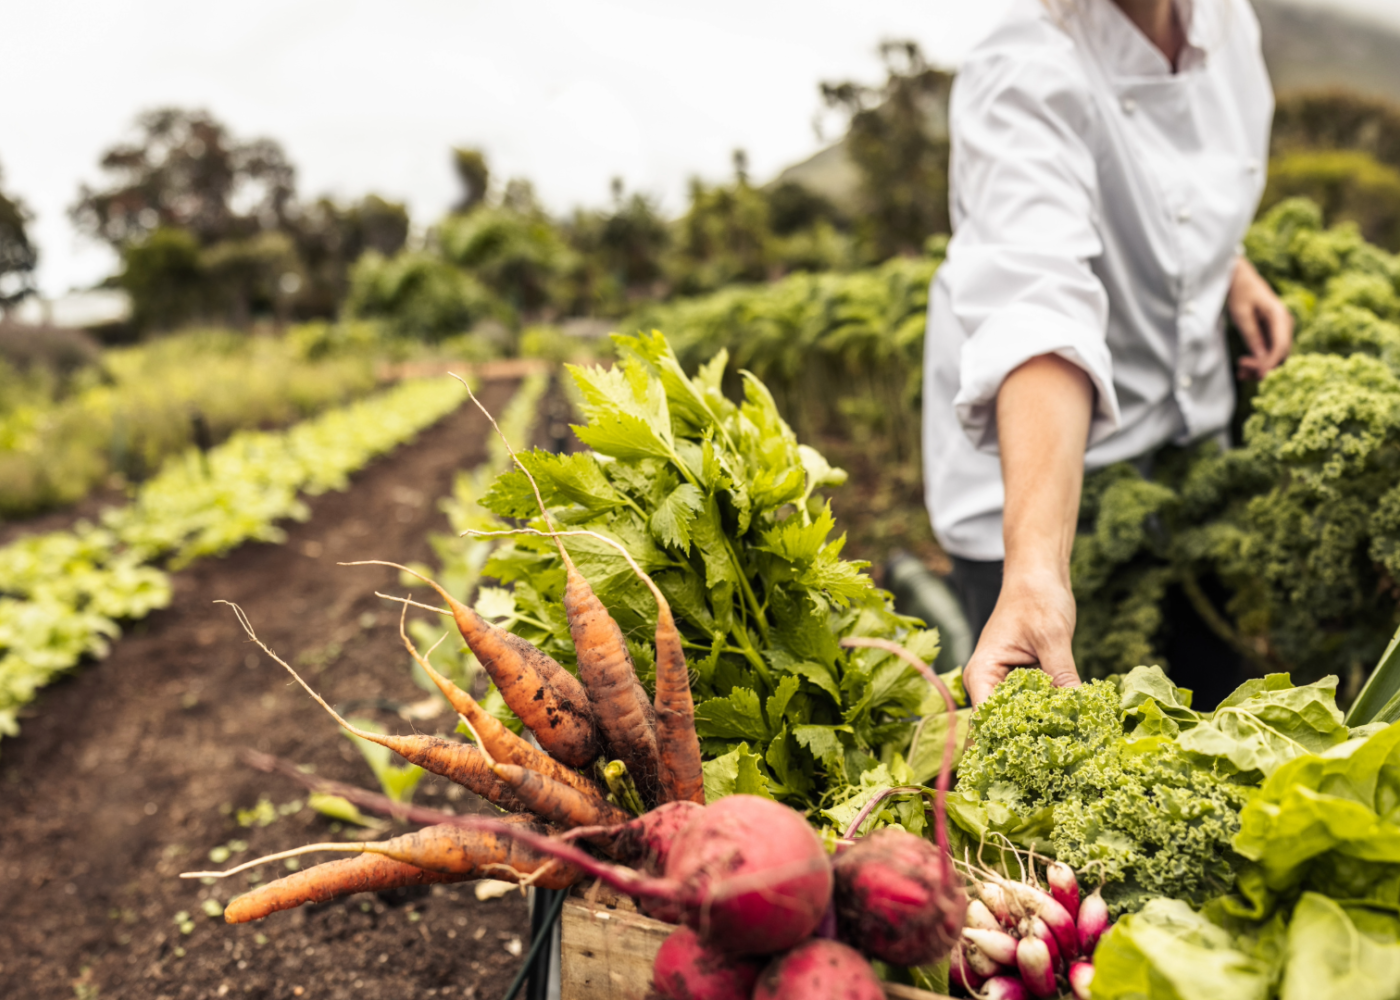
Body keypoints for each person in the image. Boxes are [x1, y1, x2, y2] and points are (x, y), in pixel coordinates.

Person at [922, 0, 1294, 706]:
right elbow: (1039, 308)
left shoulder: (1227, 21)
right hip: (1035, 474)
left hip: (1182, 444)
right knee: (1071, 765)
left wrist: (1226, 264)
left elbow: (1178, 181)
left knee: (1210, 691)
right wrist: (1035, 573)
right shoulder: (1023, 68)